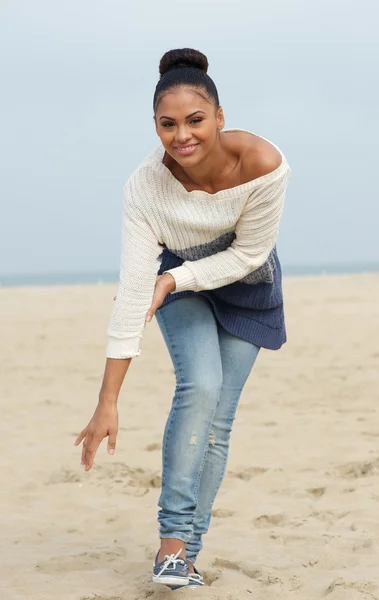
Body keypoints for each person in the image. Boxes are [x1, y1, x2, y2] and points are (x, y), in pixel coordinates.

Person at [75, 47, 290, 589]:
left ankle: (188, 557)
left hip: (244, 284)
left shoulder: (264, 164)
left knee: (219, 422)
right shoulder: (145, 187)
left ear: (220, 116)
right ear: (155, 126)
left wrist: (172, 280)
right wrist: (107, 401)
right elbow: (131, 292)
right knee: (200, 385)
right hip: (178, 278)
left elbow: (245, 256)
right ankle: (171, 545)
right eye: (167, 125)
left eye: (195, 120)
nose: (182, 136)